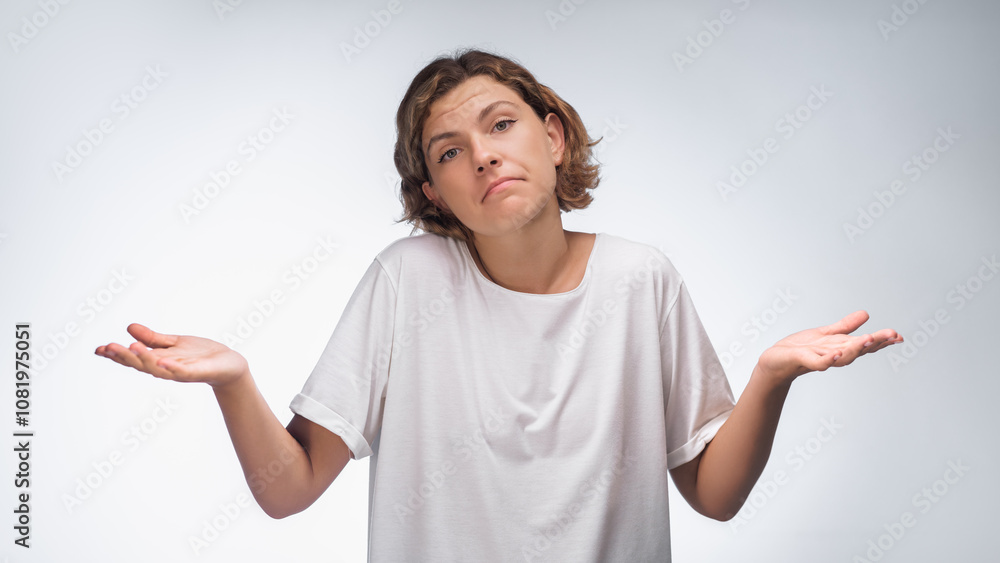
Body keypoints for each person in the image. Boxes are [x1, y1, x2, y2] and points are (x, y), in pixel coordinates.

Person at [95, 48, 903, 561]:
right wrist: (234, 381)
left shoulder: (640, 278)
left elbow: (714, 496)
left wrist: (771, 377)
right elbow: (290, 489)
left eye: (502, 125)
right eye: (451, 151)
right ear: (433, 193)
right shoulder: (407, 281)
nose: (483, 156)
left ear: (552, 138)